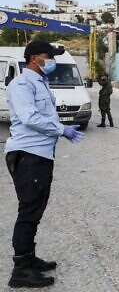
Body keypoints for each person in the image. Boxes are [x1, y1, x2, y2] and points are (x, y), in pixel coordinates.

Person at [5, 41, 85, 288]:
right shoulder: (22, 84)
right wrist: (61, 129)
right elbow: (29, 117)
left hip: (40, 154)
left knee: (36, 208)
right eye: (48, 56)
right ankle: (20, 271)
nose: (52, 60)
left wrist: (61, 127)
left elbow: (44, 115)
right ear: (33, 58)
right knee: (29, 211)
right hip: (27, 154)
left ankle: (29, 258)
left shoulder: (41, 82)